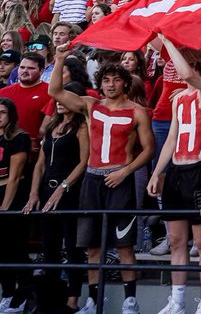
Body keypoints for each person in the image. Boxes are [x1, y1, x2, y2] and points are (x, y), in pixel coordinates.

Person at [49, 45, 153, 314]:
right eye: (106, 80)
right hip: (93, 180)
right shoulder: (90, 105)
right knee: (92, 247)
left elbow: (149, 149)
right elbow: (56, 92)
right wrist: (60, 58)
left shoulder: (137, 111)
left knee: (125, 245)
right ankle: (95, 300)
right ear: (100, 82)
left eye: (116, 79)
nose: (110, 84)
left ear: (125, 83)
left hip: (120, 179)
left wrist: (126, 171)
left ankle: (131, 300)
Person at [148, 38, 201, 314]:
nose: (177, 71)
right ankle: (177, 300)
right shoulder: (178, 100)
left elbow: (189, 75)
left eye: (183, 65)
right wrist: (157, 171)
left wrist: (166, 40)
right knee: (177, 241)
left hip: (199, 169)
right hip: (177, 169)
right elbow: (171, 139)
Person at [24, 81, 89, 314]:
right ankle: (48, 298)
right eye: (58, 100)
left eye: (65, 98)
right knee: (49, 246)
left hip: (70, 191)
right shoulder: (52, 126)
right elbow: (40, 164)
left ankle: (73, 299)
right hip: (46, 190)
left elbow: (84, 161)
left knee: (72, 246)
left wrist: (64, 186)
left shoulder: (81, 127)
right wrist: (33, 193)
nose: (60, 103)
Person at [0, 97, 31, 314]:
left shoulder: (19, 138)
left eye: (2, 112)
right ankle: (7, 293)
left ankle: (21, 295)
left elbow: (15, 176)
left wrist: (4, 208)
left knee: (15, 248)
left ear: (11, 114)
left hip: (13, 194)